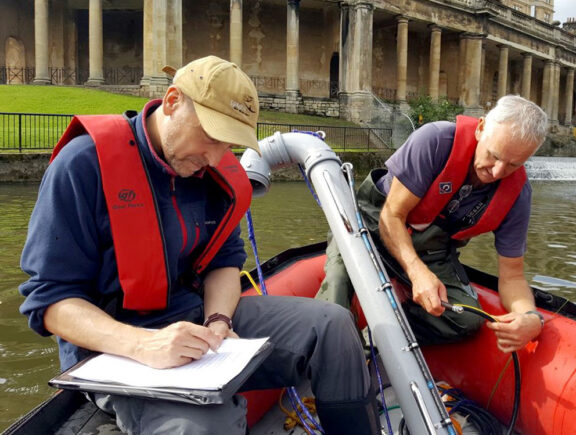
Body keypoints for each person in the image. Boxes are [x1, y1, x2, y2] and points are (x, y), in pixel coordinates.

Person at [19, 56, 380, 435]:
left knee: (332, 326)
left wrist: (219, 321)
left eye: (227, 144)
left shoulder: (210, 171)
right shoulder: (82, 166)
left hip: (198, 325)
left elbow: (225, 259)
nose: (214, 157)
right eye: (210, 136)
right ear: (173, 101)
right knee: (203, 425)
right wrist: (144, 344)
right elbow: (50, 301)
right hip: (116, 347)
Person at [317, 95, 547, 353]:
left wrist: (530, 317)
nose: (497, 172)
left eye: (513, 165)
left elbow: (512, 275)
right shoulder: (435, 140)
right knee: (336, 285)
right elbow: (391, 215)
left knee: (465, 320)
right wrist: (416, 272)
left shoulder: (518, 195)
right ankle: (324, 351)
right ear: (481, 128)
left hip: (432, 249)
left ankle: (373, 341)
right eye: (494, 156)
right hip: (372, 224)